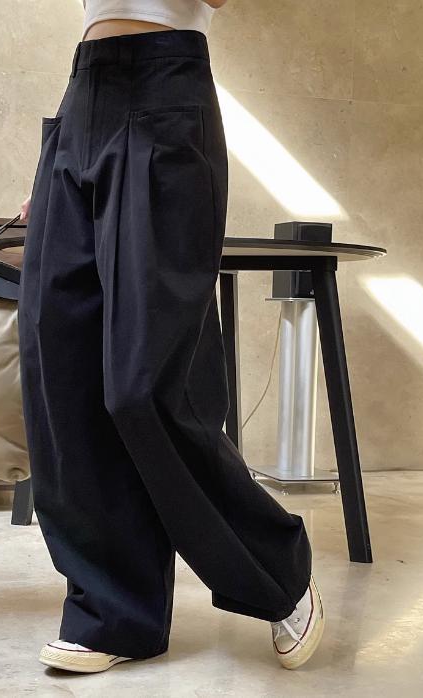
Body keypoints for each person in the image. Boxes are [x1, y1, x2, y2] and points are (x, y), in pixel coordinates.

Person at [17, 0, 325, 674]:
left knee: (144, 385)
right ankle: (112, 613)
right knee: (60, 370)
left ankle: (278, 570)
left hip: (166, 89)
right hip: (83, 94)